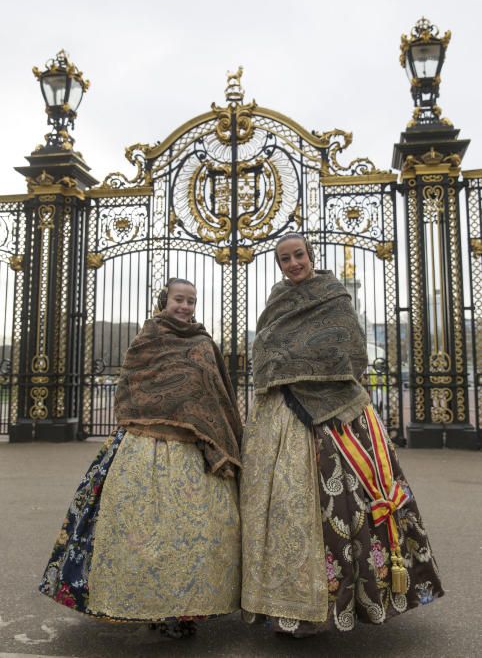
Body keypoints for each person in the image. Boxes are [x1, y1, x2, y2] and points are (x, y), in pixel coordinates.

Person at [240, 233, 443, 637]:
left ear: (311, 256)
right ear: (278, 265)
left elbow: (349, 351)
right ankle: (287, 606)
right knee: (283, 511)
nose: (293, 264)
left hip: (335, 416)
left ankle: (341, 601)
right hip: (281, 417)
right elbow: (264, 351)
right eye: (284, 259)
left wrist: (297, 362)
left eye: (298, 255)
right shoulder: (276, 300)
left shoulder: (335, 297)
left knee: (342, 508)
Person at [40, 278, 243, 639]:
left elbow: (215, 394)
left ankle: (185, 609)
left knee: (191, 536)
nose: (185, 306)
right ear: (165, 301)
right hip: (141, 447)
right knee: (143, 532)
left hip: (192, 450)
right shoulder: (146, 339)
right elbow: (131, 385)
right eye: (179, 299)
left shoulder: (203, 343)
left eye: (191, 301)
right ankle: (147, 605)